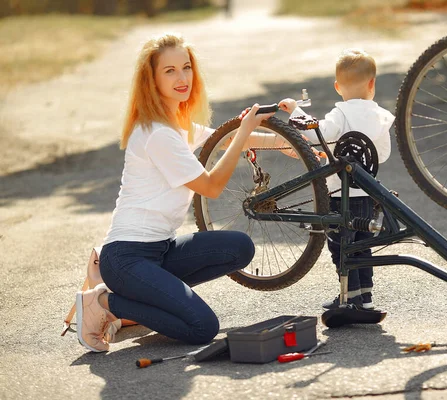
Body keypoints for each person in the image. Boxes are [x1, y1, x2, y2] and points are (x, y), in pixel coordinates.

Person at [75, 33, 278, 353]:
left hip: (161, 251)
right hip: (126, 258)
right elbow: (211, 186)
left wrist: (295, 144)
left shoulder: (178, 124)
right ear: (151, 80)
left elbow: (222, 141)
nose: (182, 77)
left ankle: (151, 300)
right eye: (169, 71)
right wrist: (243, 133)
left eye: (186, 67)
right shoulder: (157, 133)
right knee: (202, 328)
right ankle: (104, 302)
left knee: (239, 247)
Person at [278, 48, 394, 311]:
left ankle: (348, 296)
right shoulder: (379, 115)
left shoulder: (340, 113)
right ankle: (365, 296)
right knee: (362, 244)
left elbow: (318, 131)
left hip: (340, 195)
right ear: (372, 83)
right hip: (367, 193)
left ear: (337, 87)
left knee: (341, 245)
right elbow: (383, 154)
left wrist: (296, 110)